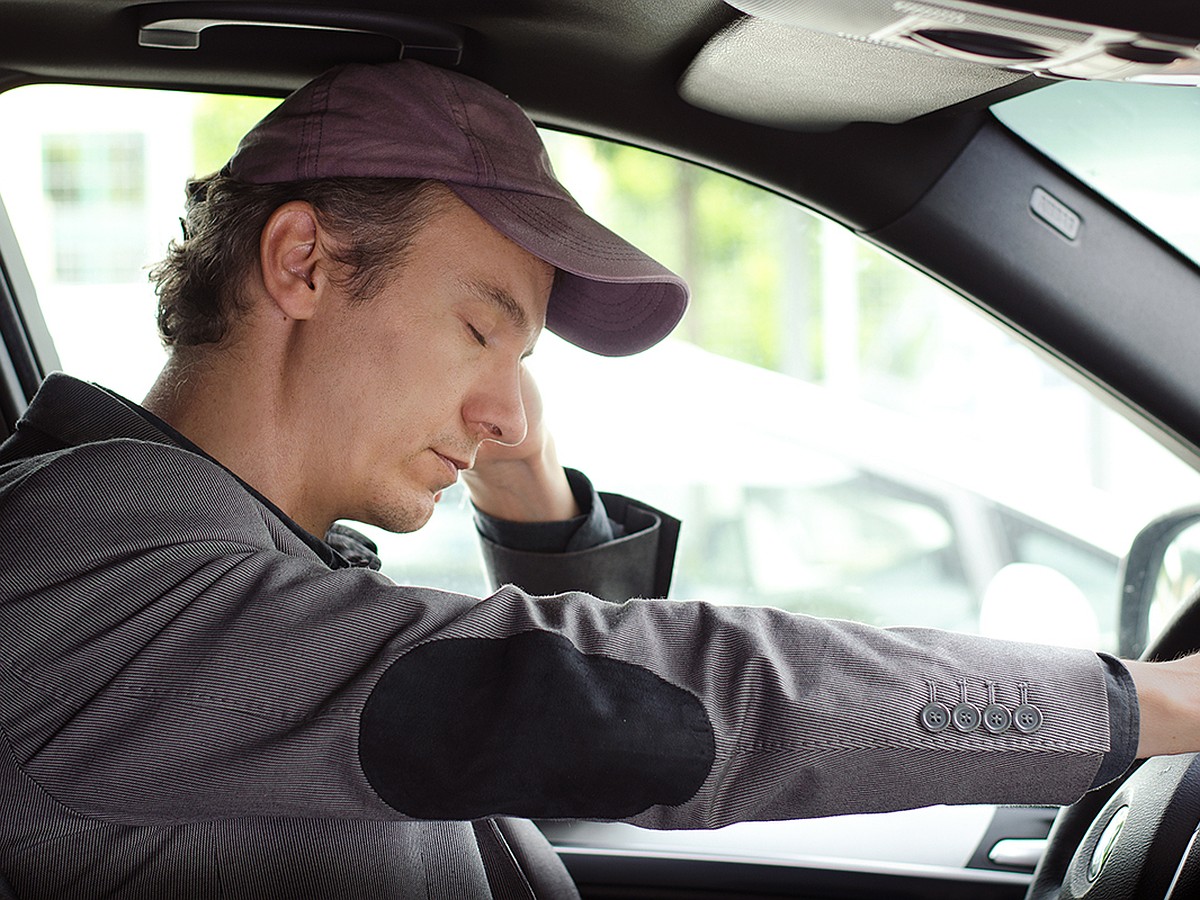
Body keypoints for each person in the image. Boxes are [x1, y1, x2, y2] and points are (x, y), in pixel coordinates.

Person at [0, 59, 1198, 899]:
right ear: (304, 261)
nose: (510, 408)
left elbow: (552, 754)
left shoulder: (235, 561)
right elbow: (622, 702)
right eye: (481, 328)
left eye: (524, 359)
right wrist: (1154, 707)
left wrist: (514, 454)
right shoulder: (79, 579)